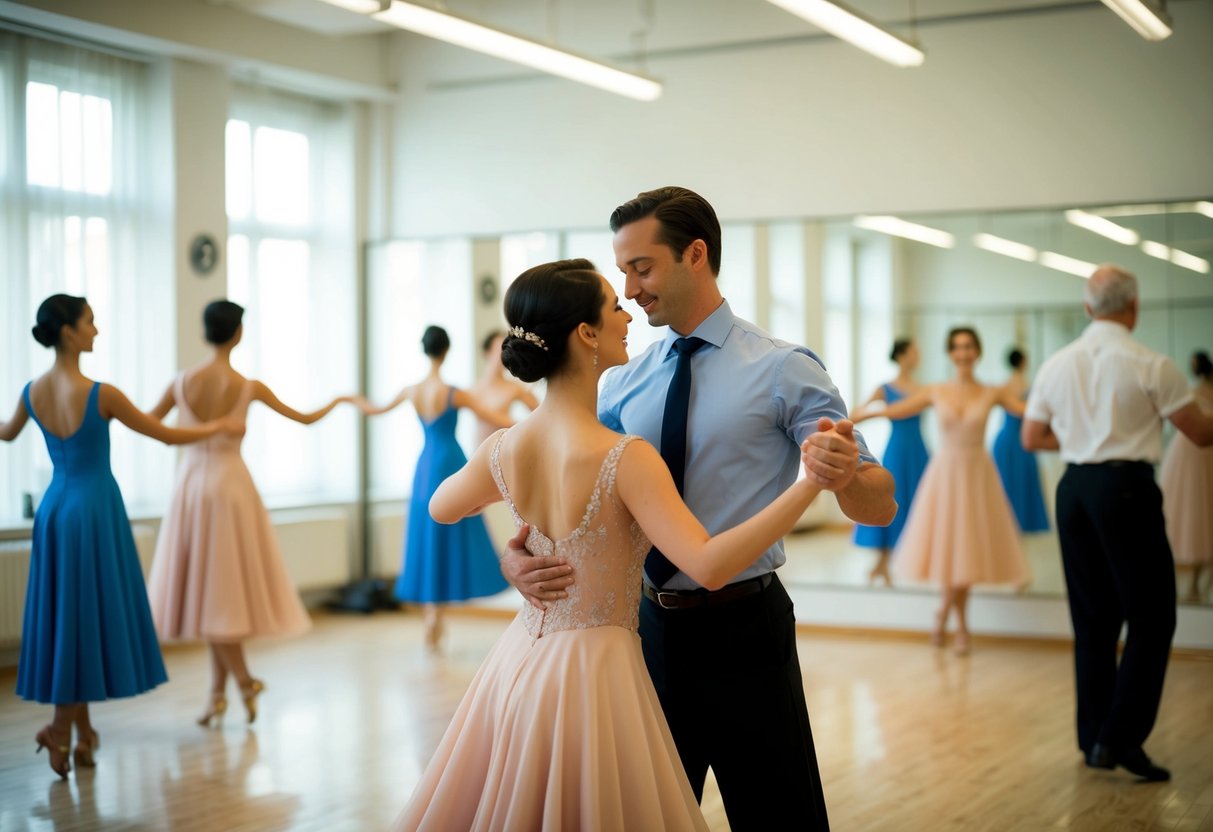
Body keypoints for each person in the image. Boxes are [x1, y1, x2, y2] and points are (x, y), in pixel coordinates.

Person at [502, 187, 895, 830]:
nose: (629, 290)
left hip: (747, 631)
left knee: (779, 817)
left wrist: (845, 474)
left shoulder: (783, 369)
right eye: (623, 271)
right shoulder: (622, 380)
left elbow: (878, 505)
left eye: (642, 268)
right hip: (643, 633)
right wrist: (518, 560)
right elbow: (571, 497)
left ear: (696, 254)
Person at [393, 259, 830, 831]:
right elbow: (708, 563)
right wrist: (809, 487)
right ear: (586, 334)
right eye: (613, 307)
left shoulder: (504, 446)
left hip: (520, 664)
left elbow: (442, 506)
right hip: (598, 673)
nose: (628, 315)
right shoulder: (625, 456)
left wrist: (516, 544)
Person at [0, 295, 240, 778]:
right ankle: (60, 728)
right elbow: (164, 434)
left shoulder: (31, 392)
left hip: (55, 510)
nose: (96, 330)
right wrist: (218, 425)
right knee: (81, 619)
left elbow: (6, 434)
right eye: (89, 322)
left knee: (73, 619)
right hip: (94, 510)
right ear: (68, 332)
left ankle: (83, 734)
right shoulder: (100, 393)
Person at [1023, 265, 1213, 781]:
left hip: (1075, 490)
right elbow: (1199, 434)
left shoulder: (1056, 364)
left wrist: (1086, 441)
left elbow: (1033, 437)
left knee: (1093, 620)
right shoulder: (1152, 363)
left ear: (1088, 308)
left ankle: (1095, 741)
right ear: (1135, 307)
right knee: (1153, 618)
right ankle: (1118, 737)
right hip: (1126, 490)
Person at [145, 300, 355, 727]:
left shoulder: (183, 381)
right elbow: (306, 419)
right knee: (218, 596)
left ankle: (219, 694)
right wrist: (337, 400)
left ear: (206, 331)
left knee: (213, 596)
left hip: (191, 487)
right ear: (237, 333)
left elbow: (150, 425)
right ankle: (239, 684)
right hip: (230, 490)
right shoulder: (247, 386)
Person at [855, 326, 1031, 655]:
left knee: (967, 551)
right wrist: (858, 417)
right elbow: (896, 410)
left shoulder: (992, 392)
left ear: (977, 352)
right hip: (946, 477)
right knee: (954, 550)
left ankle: (948, 617)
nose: (963, 353)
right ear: (950, 353)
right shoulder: (935, 390)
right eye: (957, 347)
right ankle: (958, 624)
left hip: (978, 478)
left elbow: (1024, 410)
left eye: (968, 347)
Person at [357, 325, 513, 650]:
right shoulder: (455, 393)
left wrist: (349, 400)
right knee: (454, 531)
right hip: (451, 463)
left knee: (428, 537)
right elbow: (494, 416)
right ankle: (436, 614)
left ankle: (432, 614)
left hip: (425, 467)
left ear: (424, 349)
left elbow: (375, 409)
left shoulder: (412, 390)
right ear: (447, 351)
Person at [851, 337, 930, 586]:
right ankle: (882, 564)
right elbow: (855, 414)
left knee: (915, 504)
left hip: (919, 452)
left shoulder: (923, 389)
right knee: (891, 502)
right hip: (897, 451)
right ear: (903, 355)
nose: (918, 355)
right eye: (915, 351)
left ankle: (890, 565)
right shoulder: (885, 388)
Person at [1159, 350, 1213, 603]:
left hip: (1196, 450)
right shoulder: (1195, 389)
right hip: (1190, 451)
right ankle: (1194, 580)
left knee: (1196, 504)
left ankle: (1197, 580)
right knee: (1194, 504)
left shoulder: (1196, 390)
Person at [992, 347, 1049, 533]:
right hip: (1018, 438)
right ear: (1022, 362)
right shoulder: (1023, 384)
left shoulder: (1005, 384)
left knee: (1009, 480)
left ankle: (1009, 522)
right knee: (1016, 479)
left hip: (1006, 439)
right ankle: (1020, 521)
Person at [468, 330, 539, 444]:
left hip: (501, 451)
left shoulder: (513, 387)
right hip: (477, 450)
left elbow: (538, 410)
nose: (502, 354)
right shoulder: (473, 390)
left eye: (506, 349)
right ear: (487, 352)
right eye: (498, 349)